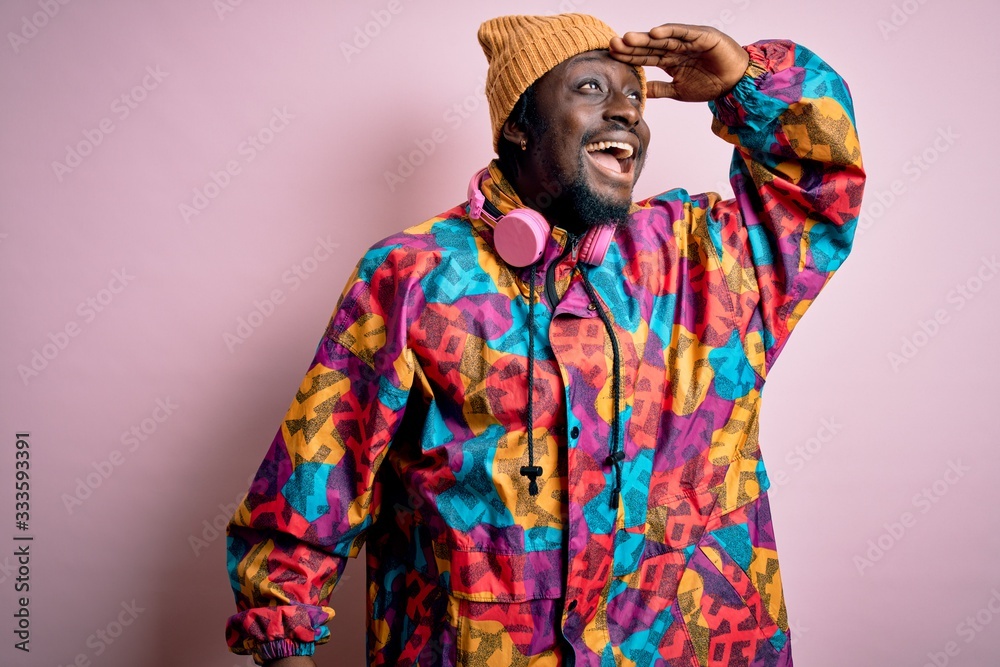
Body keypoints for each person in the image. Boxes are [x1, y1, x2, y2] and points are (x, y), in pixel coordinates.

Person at [225, 12, 865, 667]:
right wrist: (283, 634)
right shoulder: (414, 278)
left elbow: (820, 192)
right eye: (590, 88)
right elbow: (307, 501)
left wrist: (745, 83)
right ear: (518, 125)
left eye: (635, 96)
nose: (626, 112)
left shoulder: (702, 258)